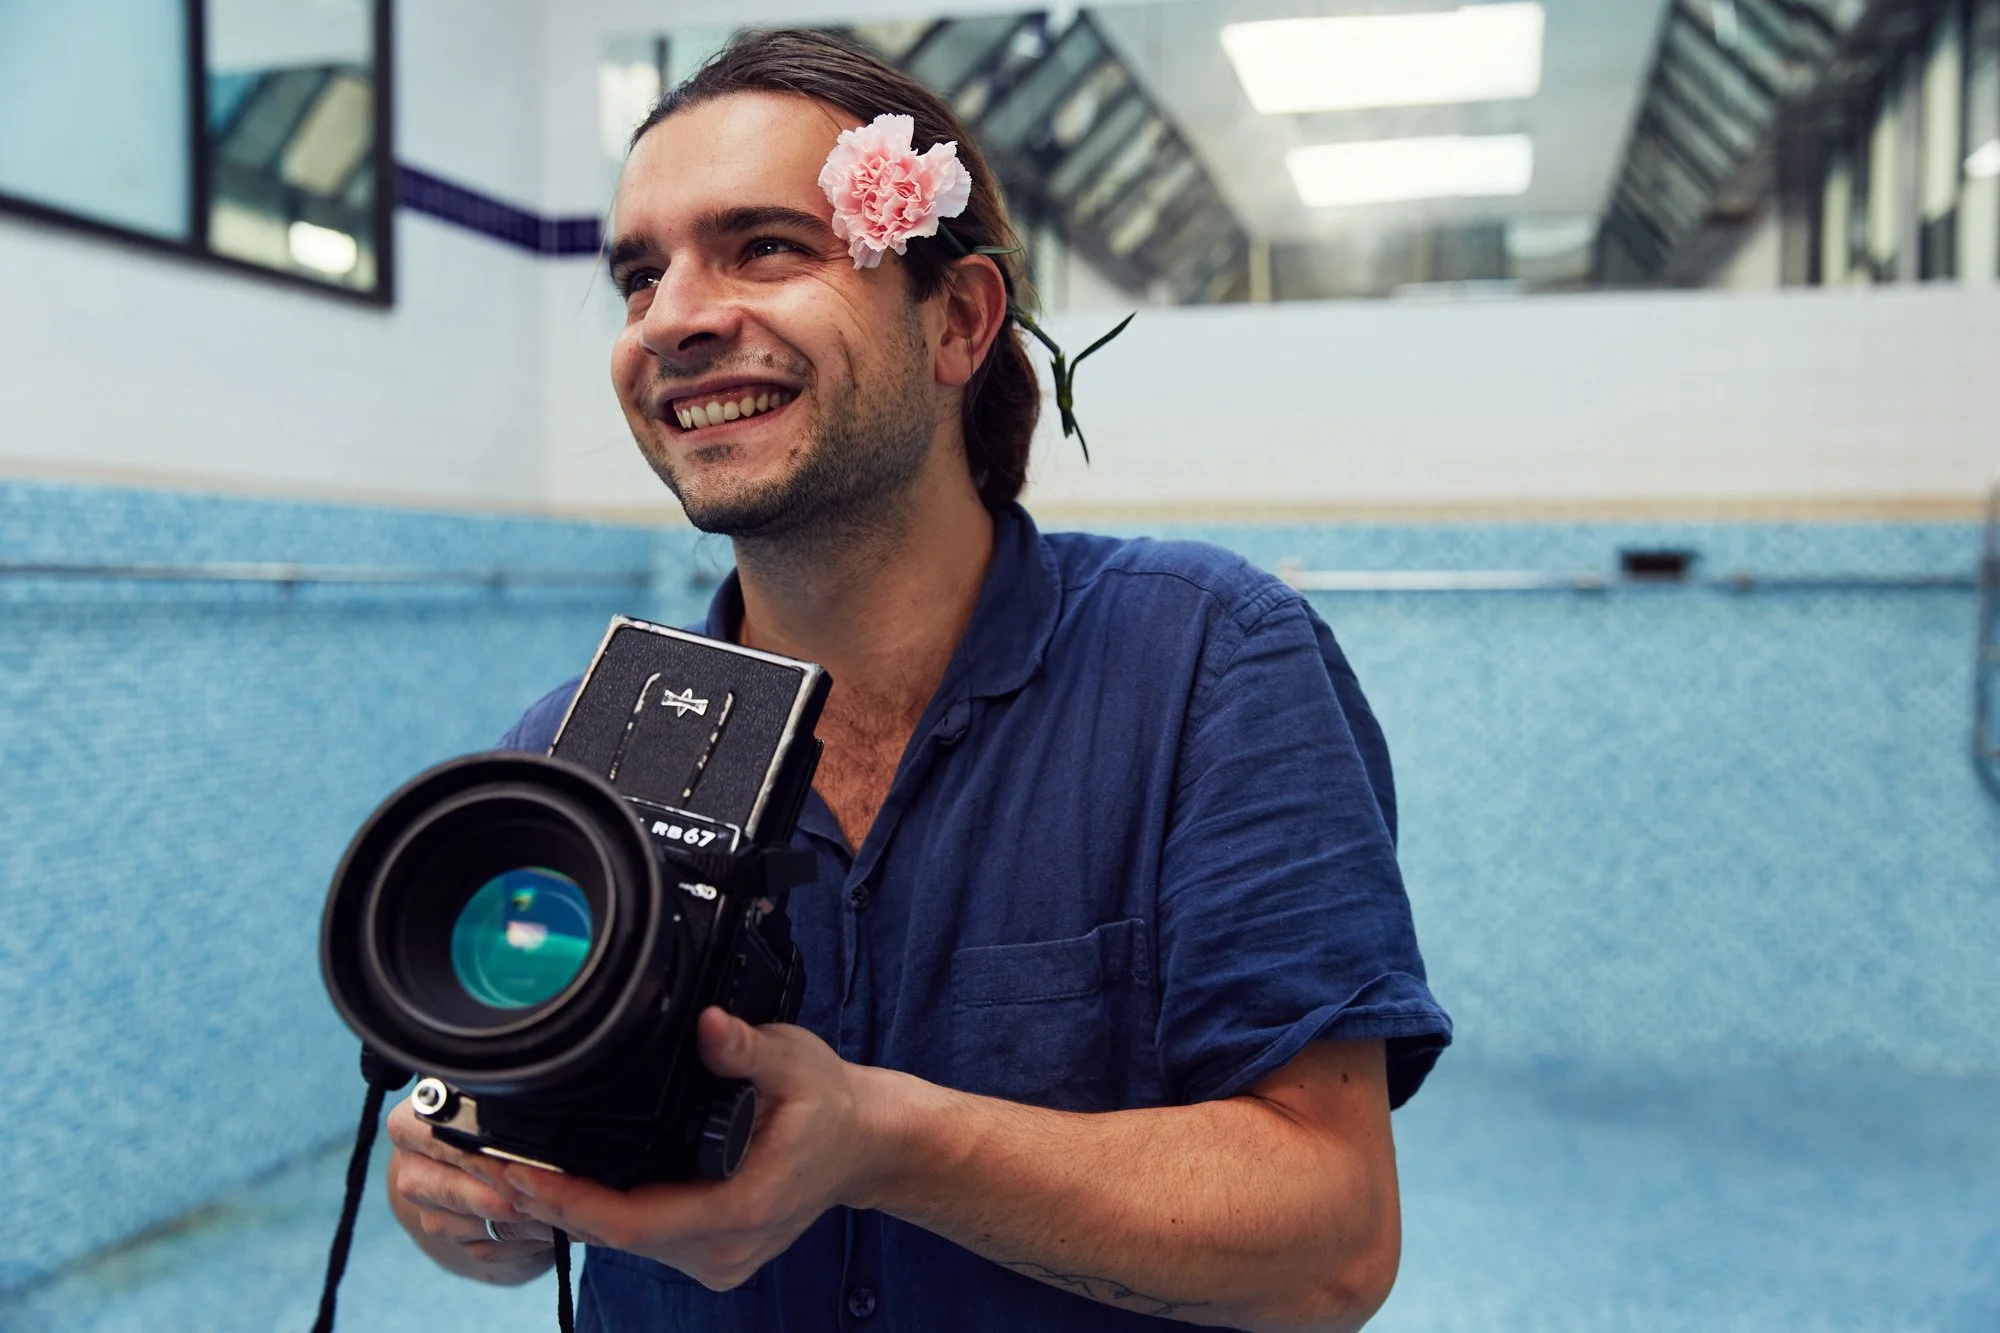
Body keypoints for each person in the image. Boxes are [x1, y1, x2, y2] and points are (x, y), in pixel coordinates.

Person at [381, 27, 1450, 1333]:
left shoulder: (1205, 669)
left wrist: (887, 1142)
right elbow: (513, 1171)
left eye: (765, 246)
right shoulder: (584, 753)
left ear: (957, 321)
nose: (673, 320)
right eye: (640, 275)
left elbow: (1333, 1243)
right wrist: (478, 1208)